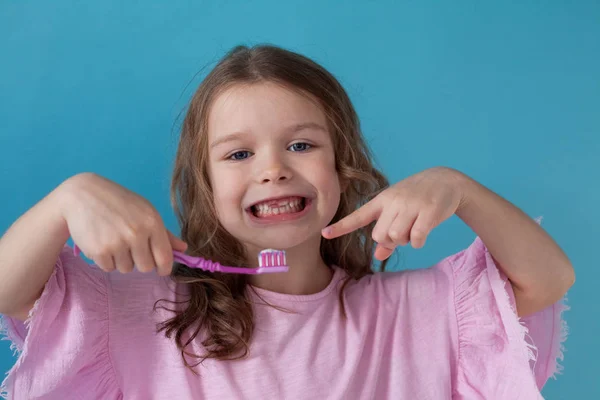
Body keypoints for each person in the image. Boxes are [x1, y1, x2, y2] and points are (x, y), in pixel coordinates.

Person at [0, 45, 574, 399]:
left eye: (300, 144)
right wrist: (65, 201)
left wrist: (460, 187)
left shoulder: (419, 314)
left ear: (343, 165)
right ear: (206, 186)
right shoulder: (138, 317)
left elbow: (548, 278)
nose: (273, 169)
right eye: (238, 154)